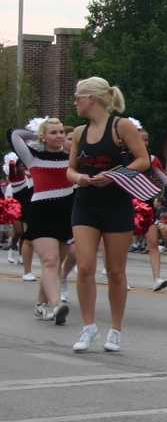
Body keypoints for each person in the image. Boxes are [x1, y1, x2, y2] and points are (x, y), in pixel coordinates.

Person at [66, 77, 149, 353]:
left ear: (92, 98)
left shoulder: (121, 126)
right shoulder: (79, 132)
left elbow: (143, 160)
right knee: (86, 266)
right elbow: (70, 169)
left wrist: (112, 176)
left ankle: (115, 329)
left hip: (116, 204)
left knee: (115, 271)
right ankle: (88, 326)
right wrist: (80, 178)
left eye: (79, 96)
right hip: (85, 203)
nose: (75, 101)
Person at [10, 118, 74, 325]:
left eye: (62, 132)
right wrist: (38, 137)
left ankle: (40, 305)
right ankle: (57, 306)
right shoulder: (32, 156)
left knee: (55, 265)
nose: (59, 136)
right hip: (41, 212)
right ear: (43, 136)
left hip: (67, 213)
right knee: (50, 261)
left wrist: (68, 145)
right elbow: (14, 134)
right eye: (53, 133)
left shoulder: (71, 157)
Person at [134, 124, 167, 293]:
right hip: (126, 207)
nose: (144, 142)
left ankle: (156, 278)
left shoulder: (152, 159)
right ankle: (117, 277)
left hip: (146, 208)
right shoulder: (124, 157)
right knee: (120, 246)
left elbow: (166, 180)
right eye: (140, 139)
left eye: (146, 139)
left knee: (153, 243)